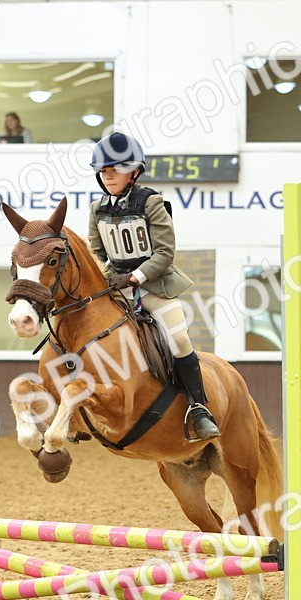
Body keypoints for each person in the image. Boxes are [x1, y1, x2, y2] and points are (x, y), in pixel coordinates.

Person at [87, 131, 220, 442]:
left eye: (115, 171)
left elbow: (164, 253)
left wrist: (134, 278)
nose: (108, 178)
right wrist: (103, 278)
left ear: (134, 172)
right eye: (104, 172)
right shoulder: (97, 209)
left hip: (153, 285)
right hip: (114, 284)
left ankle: (198, 407)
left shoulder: (151, 202)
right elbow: (96, 251)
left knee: (179, 338)